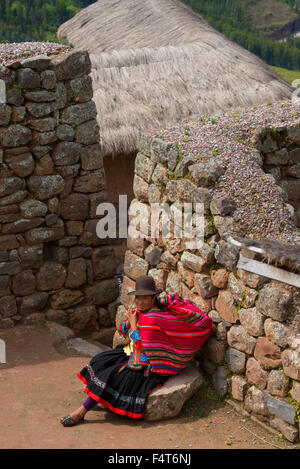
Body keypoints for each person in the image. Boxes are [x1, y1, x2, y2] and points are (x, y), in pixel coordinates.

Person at [60, 274, 213, 426]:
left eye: (144, 298)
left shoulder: (153, 318)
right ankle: (100, 399)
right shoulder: (143, 312)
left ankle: (81, 412)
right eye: (138, 298)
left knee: (111, 375)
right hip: (135, 355)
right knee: (101, 360)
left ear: (153, 298)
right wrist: (128, 323)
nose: (140, 302)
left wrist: (133, 325)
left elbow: (142, 346)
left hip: (150, 366)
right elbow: (121, 329)